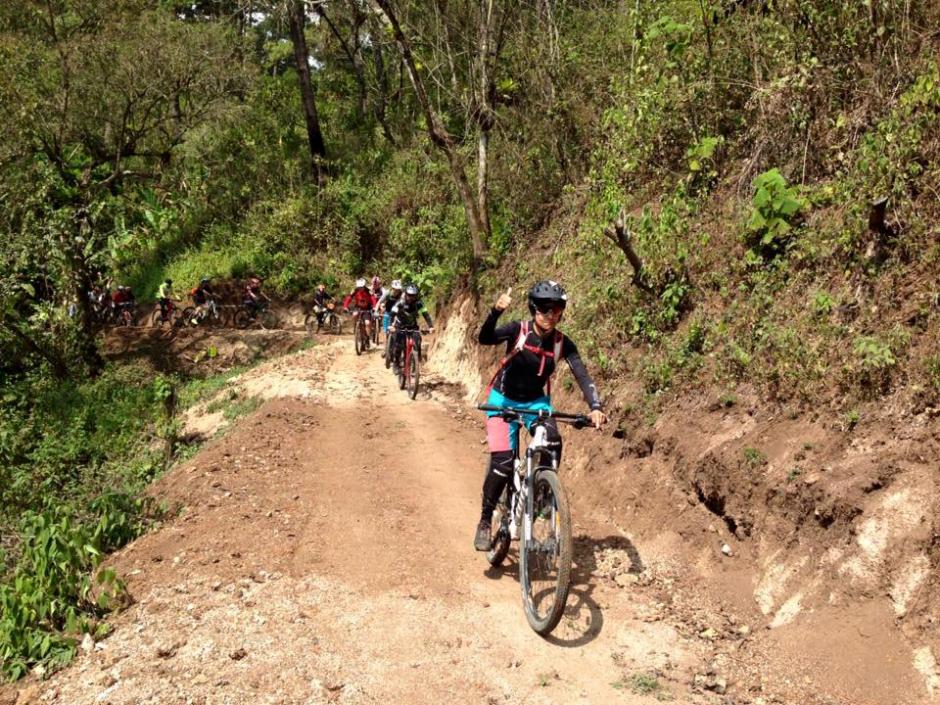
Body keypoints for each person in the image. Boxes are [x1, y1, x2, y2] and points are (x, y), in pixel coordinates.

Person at [473, 280, 607, 551]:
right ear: (534, 308)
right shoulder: (517, 331)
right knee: (503, 462)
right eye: (545, 309)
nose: (551, 315)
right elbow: (485, 338)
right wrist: (495, 312)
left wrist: (595, 406)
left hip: (536, 403)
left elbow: (582, 374)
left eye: (557, 310)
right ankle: (486, 521)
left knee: (553, 441)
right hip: (503, 401)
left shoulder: (562, 343)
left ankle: (543, 492)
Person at [387, 284, 433, 374]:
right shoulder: (400, 302)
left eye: (413, 295)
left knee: (418, 339)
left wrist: (431, 326)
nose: (411, 297)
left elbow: (426, 314)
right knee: (398, 345)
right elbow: (392, 313)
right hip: (400, 325)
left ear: (416, 296)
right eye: (409, 295)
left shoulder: (419, 303)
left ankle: (416, 360)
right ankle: (396, 364)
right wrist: (391, 325)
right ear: (406, 294)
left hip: (412, 326)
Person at [376, 279, 403, 353]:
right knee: (386, 333)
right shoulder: (387, 293)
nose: (397, 291)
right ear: (392, 288)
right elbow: (379, 302)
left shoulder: (402, 294)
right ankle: (385, 349)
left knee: (399, 332)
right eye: (395, 289)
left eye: (398, 289)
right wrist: (376, 311)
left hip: (398, 314)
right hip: (388, 313)